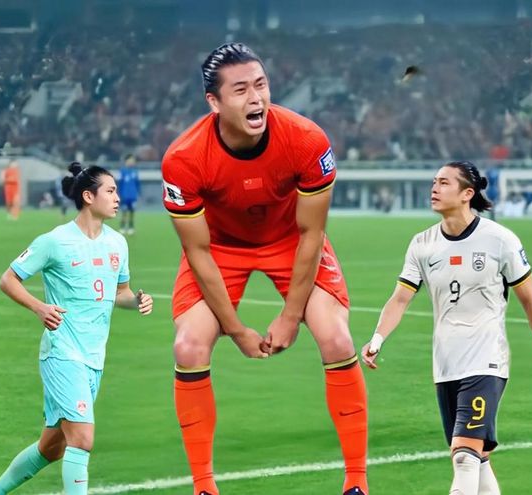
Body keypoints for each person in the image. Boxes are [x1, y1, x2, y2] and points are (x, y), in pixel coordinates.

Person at [161, 43, 368, 495]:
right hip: (220, 248)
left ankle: (357, 482)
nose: (256, 98)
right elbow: (197, 251)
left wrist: (291, 315)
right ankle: (203, 487)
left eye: (261, 84)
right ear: (214, 102)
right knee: (188, 347)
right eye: (240, 90)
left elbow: (312, 234)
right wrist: (236, 330)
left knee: (336, 338)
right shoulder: (184, 158)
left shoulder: (307, 140)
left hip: (291, 240)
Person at [361, 161, 532, 495]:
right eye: (434, 181)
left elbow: (531, 303)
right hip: (445, 364)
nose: (434, 187)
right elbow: (399, 299)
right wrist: (377, 338)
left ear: (467, 193)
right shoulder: (422, 244)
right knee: (477, 457)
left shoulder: (500, 240)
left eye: (444, 182)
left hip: (486, 360)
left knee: (464, 456)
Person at [0, 162, 153, 495]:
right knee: (82, 438)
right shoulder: (55, 241)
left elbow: (120, 293)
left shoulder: (117, 244)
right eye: (110, 191)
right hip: (62, 354)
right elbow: (8, 279)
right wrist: (39, 307)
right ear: (88, 196)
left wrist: (137, 300)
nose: (118, 198)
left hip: (93, 359)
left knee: (51, 448)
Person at [118, 153, 141, 235]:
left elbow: (138, 184)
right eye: (130, 160)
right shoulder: (122, 171)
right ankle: (122, 227)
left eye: (133, 161)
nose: (132, 162)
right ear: (126, 161)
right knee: (124, 212)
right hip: (124, 196)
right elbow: (120, 184)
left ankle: (131, 227)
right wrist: (119, 194)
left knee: (132, 212)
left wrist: (138, 193)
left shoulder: (135, 171)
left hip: (133, 196)